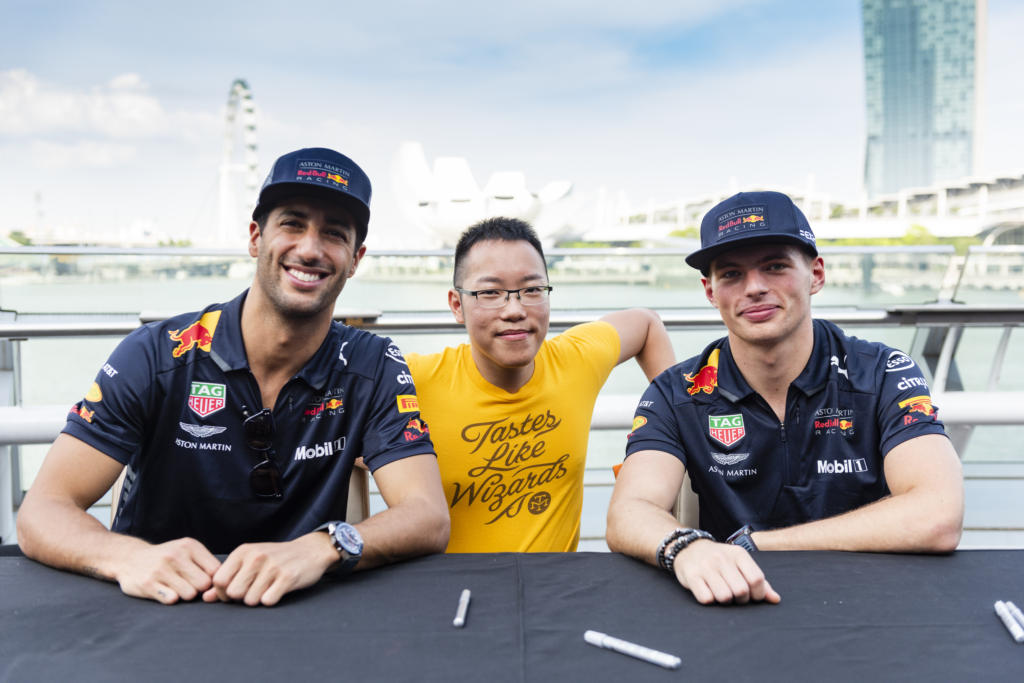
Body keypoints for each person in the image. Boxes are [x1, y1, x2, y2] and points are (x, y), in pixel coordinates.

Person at [17, 147, 449, 606]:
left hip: (301, 607)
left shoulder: (373, 363)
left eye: (334, 233)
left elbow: (427, 515)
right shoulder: (156, 353)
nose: (309, 249)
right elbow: (42, 510)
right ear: (255, 238)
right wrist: (128, 558)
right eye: (292, 224)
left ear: (355, 258)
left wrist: (324, 546)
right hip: (157, 605)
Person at [606, 190, 964, 605]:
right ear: (710, 291)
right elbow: (628, 512)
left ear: (816, 274)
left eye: (775, 266)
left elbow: (938, 515)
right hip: (738, 599)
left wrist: (756, 545)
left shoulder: (882, 372)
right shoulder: (678, 390)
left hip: (874, 597)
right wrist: (686, 548)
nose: (755, 288)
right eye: (731, 274)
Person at [407, 217, 675, 552]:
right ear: (457, 305)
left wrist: (674, 429)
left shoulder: (575, 360)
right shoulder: (413, 380)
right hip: (453, 583)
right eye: (490, 293)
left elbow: (647, 324)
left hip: (556, 581)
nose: (515, 310)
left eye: (532, 290)